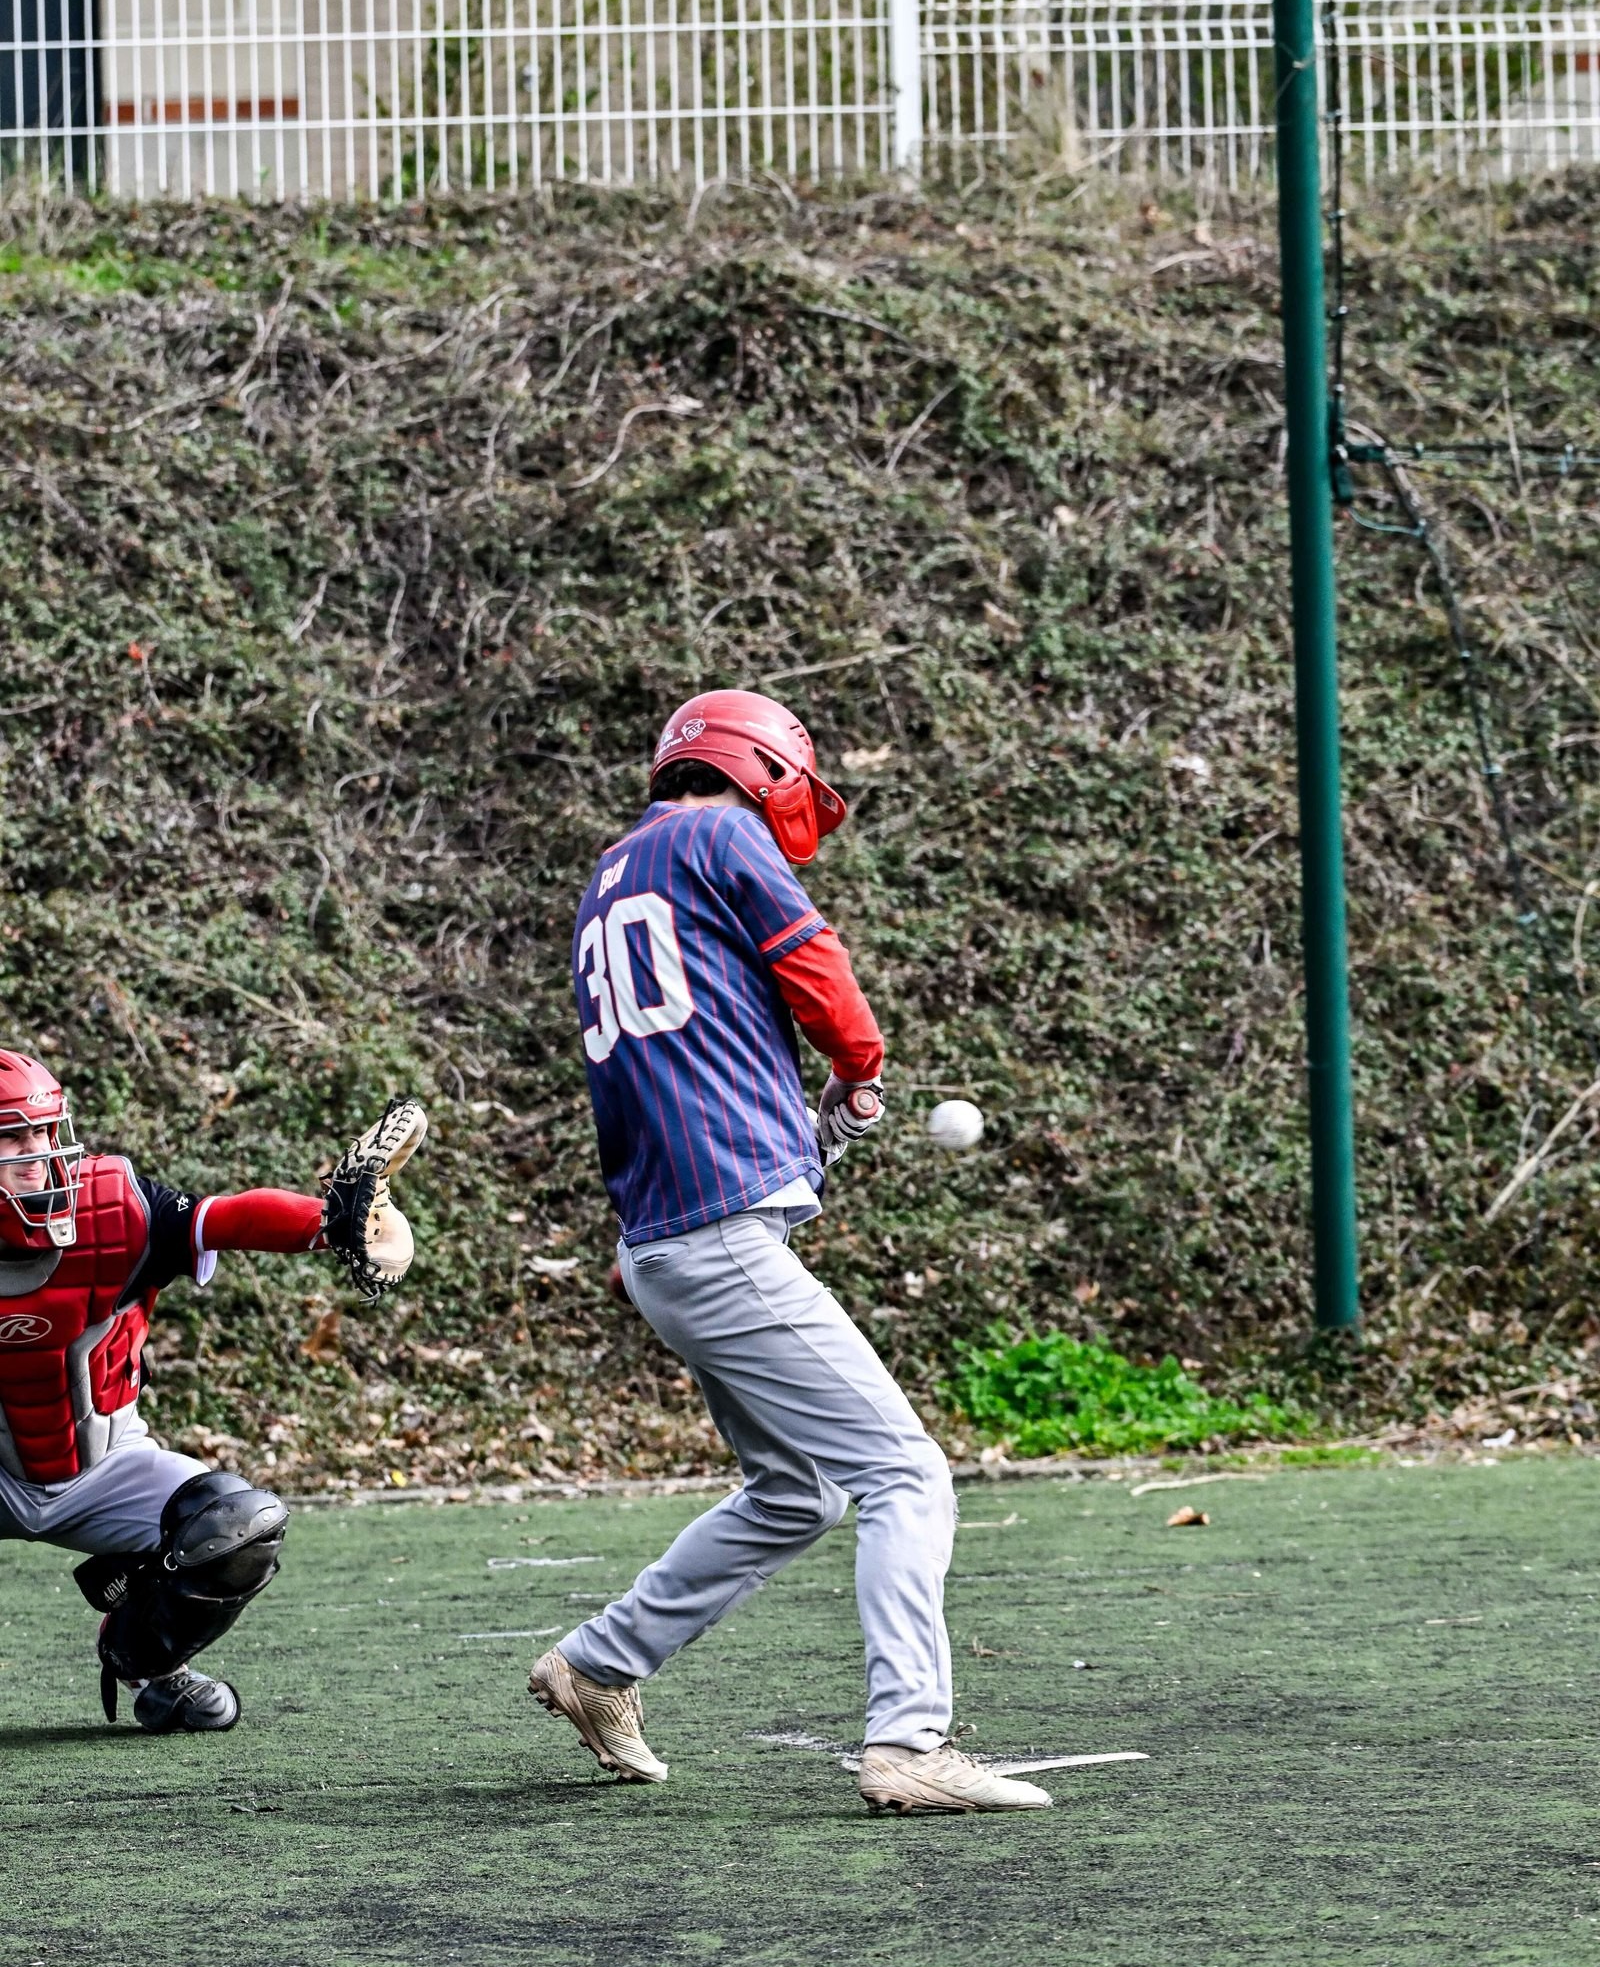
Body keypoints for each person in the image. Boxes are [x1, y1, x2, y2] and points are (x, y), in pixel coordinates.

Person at [529, 689, 1051, 1814]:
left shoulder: (615, 870)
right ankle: (909, 1743)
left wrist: (813, 1134)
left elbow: (687, 1063)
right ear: (763, 770)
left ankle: (599, 1664)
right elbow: (820, 974)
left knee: (796, 1491)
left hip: (668, 1247)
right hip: (715, 1245)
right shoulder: (722, 835)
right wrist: (860, 1071)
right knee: (905, 1475)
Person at [0, 1056, 424, 1733]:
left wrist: (328, 1222)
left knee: (237, 1525)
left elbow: (224, 1219)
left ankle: (148, 1662)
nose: (39, 1156)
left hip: (102, 1464)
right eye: (13, 1138)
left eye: (45, 1132)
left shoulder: (113, 1207)